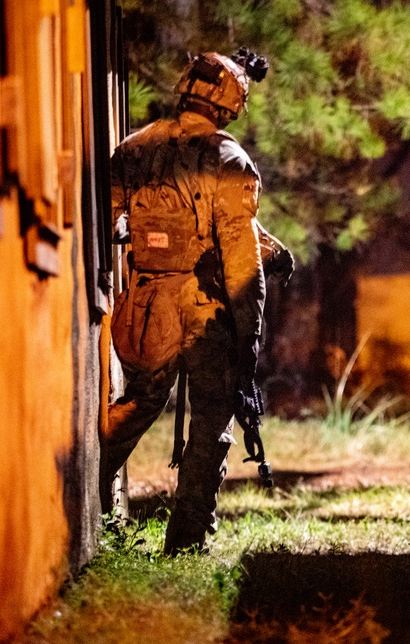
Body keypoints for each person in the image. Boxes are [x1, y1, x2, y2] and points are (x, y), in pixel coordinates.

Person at [101, 50, 292, 554]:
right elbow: (241, 262)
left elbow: (110, 222)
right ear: (230, 104)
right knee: (211, 421)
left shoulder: (132, 148)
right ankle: (186, 542)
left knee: (139, 403)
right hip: (205, 312)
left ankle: (87, 501)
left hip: (144, 306)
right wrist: (249, 339)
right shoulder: (229, 161)